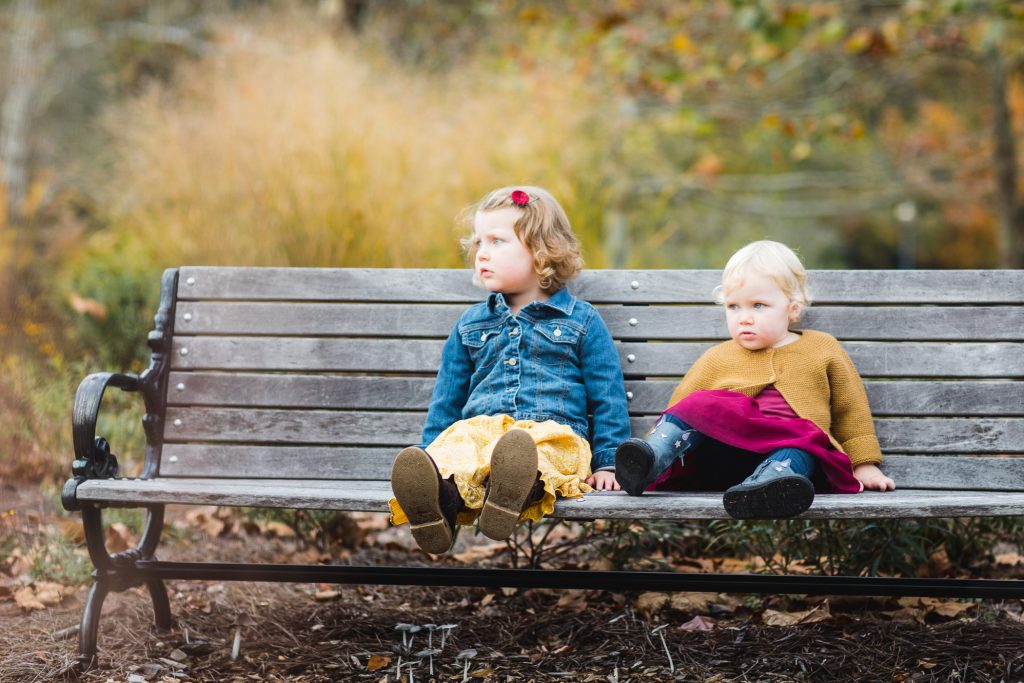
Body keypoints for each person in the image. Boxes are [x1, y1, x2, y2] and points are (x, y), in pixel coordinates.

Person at [389, 185, 631, 554]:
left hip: (552, 433)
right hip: (480, 433)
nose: (482, 253)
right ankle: (436, 504)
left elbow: (607, 396)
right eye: (478, 243)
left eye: (497, 242)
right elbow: (447, 399)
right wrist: (431, 455)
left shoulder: (581, 321)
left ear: (541, 249)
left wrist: (609, 464)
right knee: (460, 455)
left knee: (536, 454)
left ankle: (510, 494)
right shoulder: (471, 324)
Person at [615, 240, 896, 519]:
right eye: (734, 306)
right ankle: (648, 462)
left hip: (789, 461)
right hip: (722, 457)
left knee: (808, 439)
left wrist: (864, 464)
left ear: (793, 309)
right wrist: (655, 443)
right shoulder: (718, 357)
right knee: (700, 402)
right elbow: (681, 410)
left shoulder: (822, 348)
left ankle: (767, 490)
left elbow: (851, 410)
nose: (744, 318)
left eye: (758, 305)